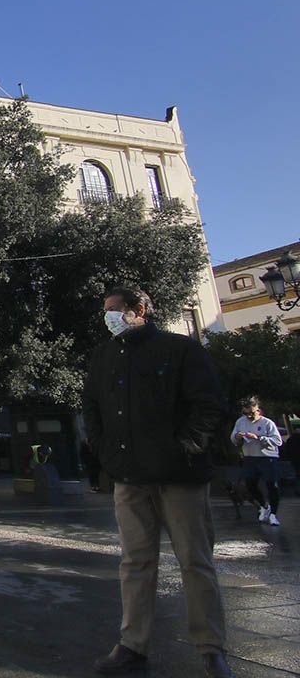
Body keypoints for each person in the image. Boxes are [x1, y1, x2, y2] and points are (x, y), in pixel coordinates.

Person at [82, 287, 232, 678]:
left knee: (195, 562)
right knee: (134, 563)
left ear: (140, 310)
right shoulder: (103, 357)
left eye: (115, 310)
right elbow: (92, 409)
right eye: (106, 312)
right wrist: (106, 454)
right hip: (129, 477)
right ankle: (132, 643)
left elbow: (209, 404)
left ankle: (211, 647)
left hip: (179, 477)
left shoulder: (180, 350)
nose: (109, 317)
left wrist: (186, 448)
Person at [230, 396, 283, 526]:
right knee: (250, 484)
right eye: (245, 413)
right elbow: (233, 437)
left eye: (251, 413)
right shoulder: (240, 422)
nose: (248, 416)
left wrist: (259, 438)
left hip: (267, 457)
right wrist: (237, 437)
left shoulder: (267, 423)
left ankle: (273, 514)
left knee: (272, 485)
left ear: (258, 410)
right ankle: (264, 505)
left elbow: (278, 441)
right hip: (250, 457)